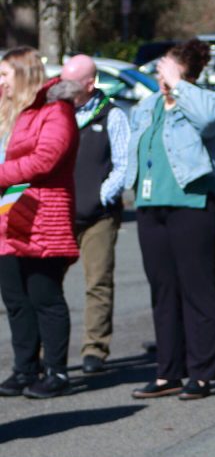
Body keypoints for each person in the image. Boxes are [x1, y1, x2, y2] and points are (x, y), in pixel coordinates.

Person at [125, 38, 215, 401]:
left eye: (165, 65)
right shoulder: (147, 106)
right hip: (151, 206)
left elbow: (210, 120)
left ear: (184, 70)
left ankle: (201, 373)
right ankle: (168, 371)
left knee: (197, 289)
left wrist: (180, 86)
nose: (158, 71)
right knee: (162, 289)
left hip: (192, 204)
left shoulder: (203, 101)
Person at [0, 48, 79, 399]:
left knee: (44, 296)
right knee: (16, 299)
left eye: (5, 74)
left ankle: (57, 371)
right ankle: (24, 368)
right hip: (9, 214)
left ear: (24, 74)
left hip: (43, 215)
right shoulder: (8, 111)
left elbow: (45, 159)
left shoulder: (55, 111)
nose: (0, 82)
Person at [60, 55, 129, 374]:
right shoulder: (56, 112)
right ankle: (50, 352)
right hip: (59, 213)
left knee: (98, 282)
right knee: (47, 286)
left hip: (98, 216)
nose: (64, 87)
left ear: (90, 84)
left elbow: (123, 164)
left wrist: (100, 197)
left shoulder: (112, 114)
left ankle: (94, 348)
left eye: (71, 83)